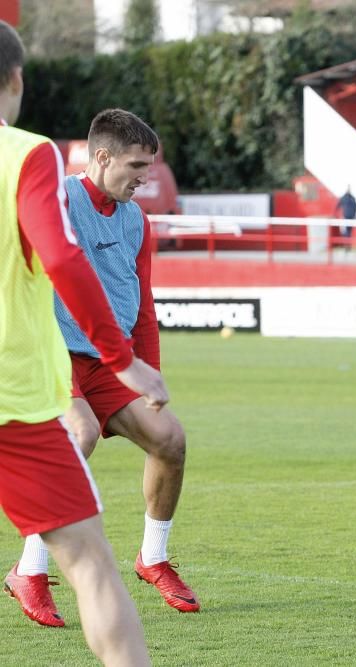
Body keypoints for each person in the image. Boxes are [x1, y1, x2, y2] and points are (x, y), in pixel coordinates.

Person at [0, 19, 165, 666]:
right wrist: (124, 359)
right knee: (92, 564)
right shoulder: (28, 153)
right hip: (16, 399)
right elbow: (64, 258)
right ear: (17, 80)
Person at [5, 108, 200, 627]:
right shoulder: (58, 196)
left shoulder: (138, 220)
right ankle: (30, 570)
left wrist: (150, 374)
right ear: (102, 157)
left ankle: (153, 559)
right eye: (136, 166)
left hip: (112, 365)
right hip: (53, 353)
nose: (145, 178)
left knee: (171, 440)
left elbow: (143, 305)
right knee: (80, 433)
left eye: (150, 168)